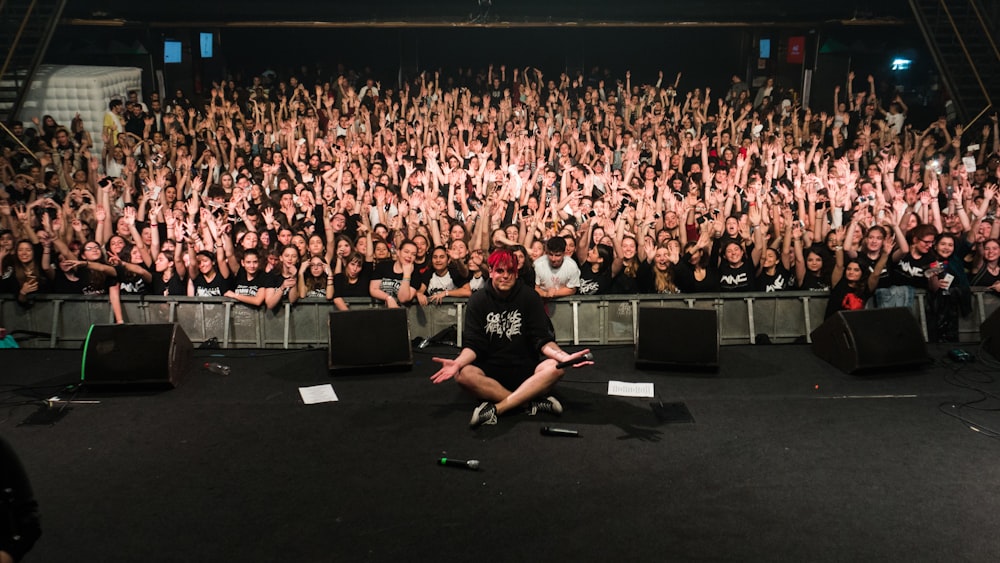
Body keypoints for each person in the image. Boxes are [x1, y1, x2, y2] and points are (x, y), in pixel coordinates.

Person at [430, 248, 592, 428]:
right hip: (489, 372)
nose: (505, 276)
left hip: (526, 370)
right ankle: (529, 402)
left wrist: (563, 357)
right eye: (500, 271)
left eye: (510, 271)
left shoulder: (530, 297)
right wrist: (458, 363)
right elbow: (474, 345)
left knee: (557, 367)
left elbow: (542, 339)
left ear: (516, 273)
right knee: (462, 374)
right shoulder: (478, 300)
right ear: (490, 272)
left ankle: (499, 407)